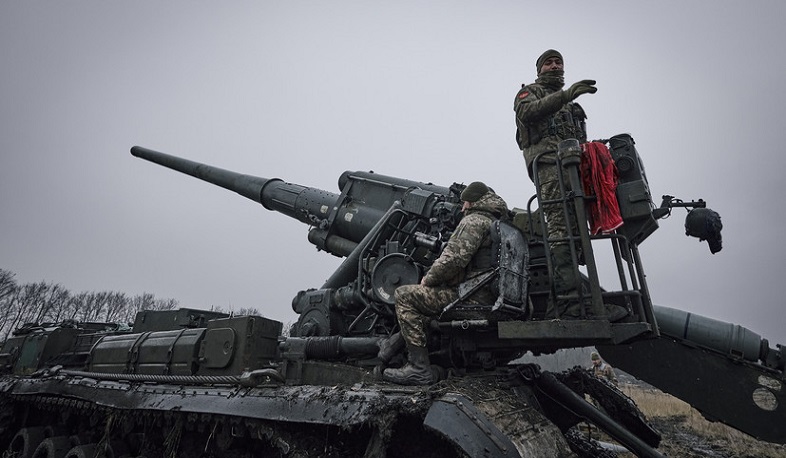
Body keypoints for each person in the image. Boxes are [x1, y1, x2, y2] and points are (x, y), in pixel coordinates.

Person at [514, 49, 617, 320]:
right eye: (548, 62)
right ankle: (569, 305)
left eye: (558, 61)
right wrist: (567, 94)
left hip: (573, 171)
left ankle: (576, 300)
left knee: (576, 234)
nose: (554, 65)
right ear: (539, 69)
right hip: (549, 167)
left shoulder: (571, 107)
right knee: (561, 232)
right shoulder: (530, 93)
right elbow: (528, 114)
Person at [382, 181, 509, 385]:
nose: (461, 208)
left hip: (473, 299)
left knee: (405, 296)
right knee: (427, 308)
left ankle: (418, 368)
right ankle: (391, 347)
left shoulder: (474, 221)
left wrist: (428, 279)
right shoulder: (500, 224)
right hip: (491, 297)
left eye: (463, 203)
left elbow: (453, 260)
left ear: (471, 202)